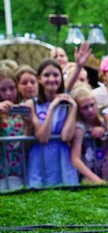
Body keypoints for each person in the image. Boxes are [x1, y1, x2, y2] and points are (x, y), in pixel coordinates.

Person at [25, 59, 79, 188]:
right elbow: (43, 137)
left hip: (62, 158)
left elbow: (66, 137)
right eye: (47, 75)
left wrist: (74, 108)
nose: (51, 79)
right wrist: (52, 108)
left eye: (55, 75)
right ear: (39, 78)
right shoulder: (32, 104)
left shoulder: (67, 103)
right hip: (40, 158)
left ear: (61, 77)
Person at [0, 68, 33, 190]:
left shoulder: (22, 110)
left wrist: (29, 124)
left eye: (12, 88)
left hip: (20, 172)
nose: (8, 93)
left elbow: (26, 145)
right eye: (3, 89)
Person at [71, 84, 107, 184]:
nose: (90, 110)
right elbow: (75, 159)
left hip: (103, 168)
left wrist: (102, 129)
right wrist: (97, 180)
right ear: (78, 110)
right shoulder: (79, 127)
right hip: (87, 175)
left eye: (92, 105)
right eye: (85, 107)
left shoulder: (102, 121)